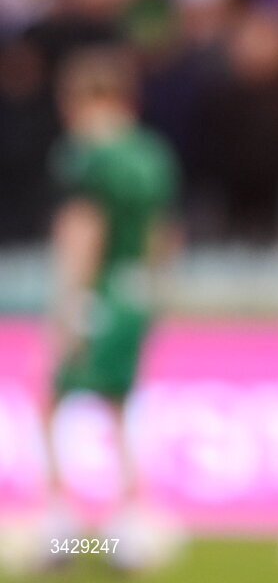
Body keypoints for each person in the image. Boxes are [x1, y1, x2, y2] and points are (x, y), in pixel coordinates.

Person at [47, 46, 181, 532]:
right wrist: (154, 289)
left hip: (99, 290)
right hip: (135, 289)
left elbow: (85, 230)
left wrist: (72, 302)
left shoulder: (88, 154)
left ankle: (61, 523)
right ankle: (128, 517)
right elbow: (164, 233)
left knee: (55, 397)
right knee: (119, 401)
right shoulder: (153, 153)